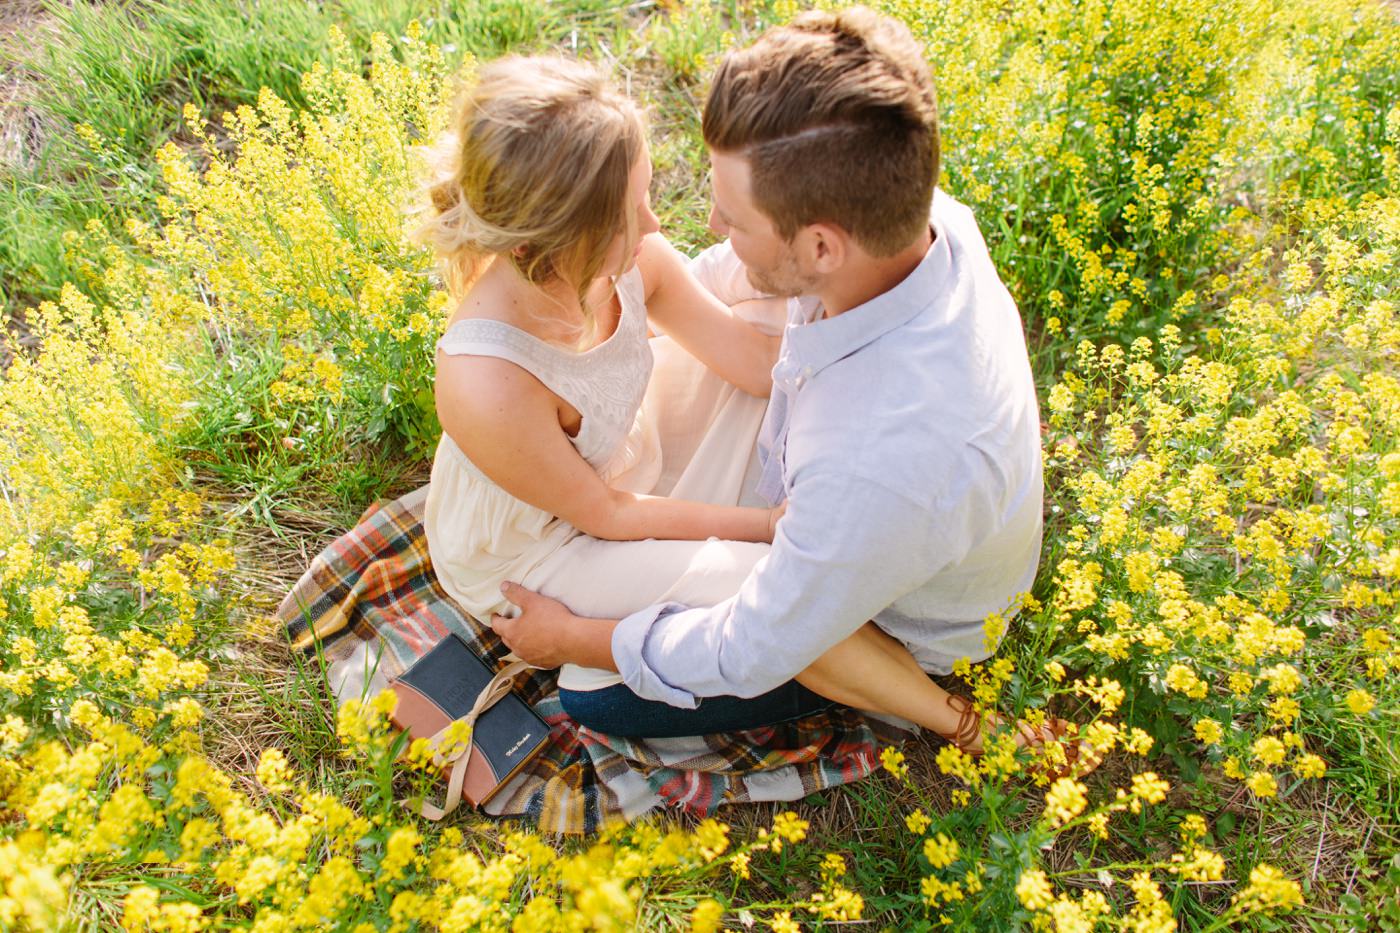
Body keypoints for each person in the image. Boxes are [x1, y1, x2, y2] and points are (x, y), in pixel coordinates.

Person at [492, 8, 1098, 773]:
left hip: (883, 614)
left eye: (734, 218)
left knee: (591, 693)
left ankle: (951, 716)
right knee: (715, 343)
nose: (707, 220)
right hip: (861, 489)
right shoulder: (912, 220)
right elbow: (724, 281)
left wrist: (568, 639)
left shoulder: (877, 460)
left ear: (819, 245)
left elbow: (753, 643)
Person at [413, 54, 810, 709]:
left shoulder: (633, 260)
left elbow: (748, 357)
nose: (654, 223)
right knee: (772, 583)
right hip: (538, 548)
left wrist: (864, 351)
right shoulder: (486, 379)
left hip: (619, 465)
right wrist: (768, 523)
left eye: (645, 192)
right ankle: (586, 646)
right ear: (551, 237)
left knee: (772, 325)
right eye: (629, 212)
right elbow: (607, 514)